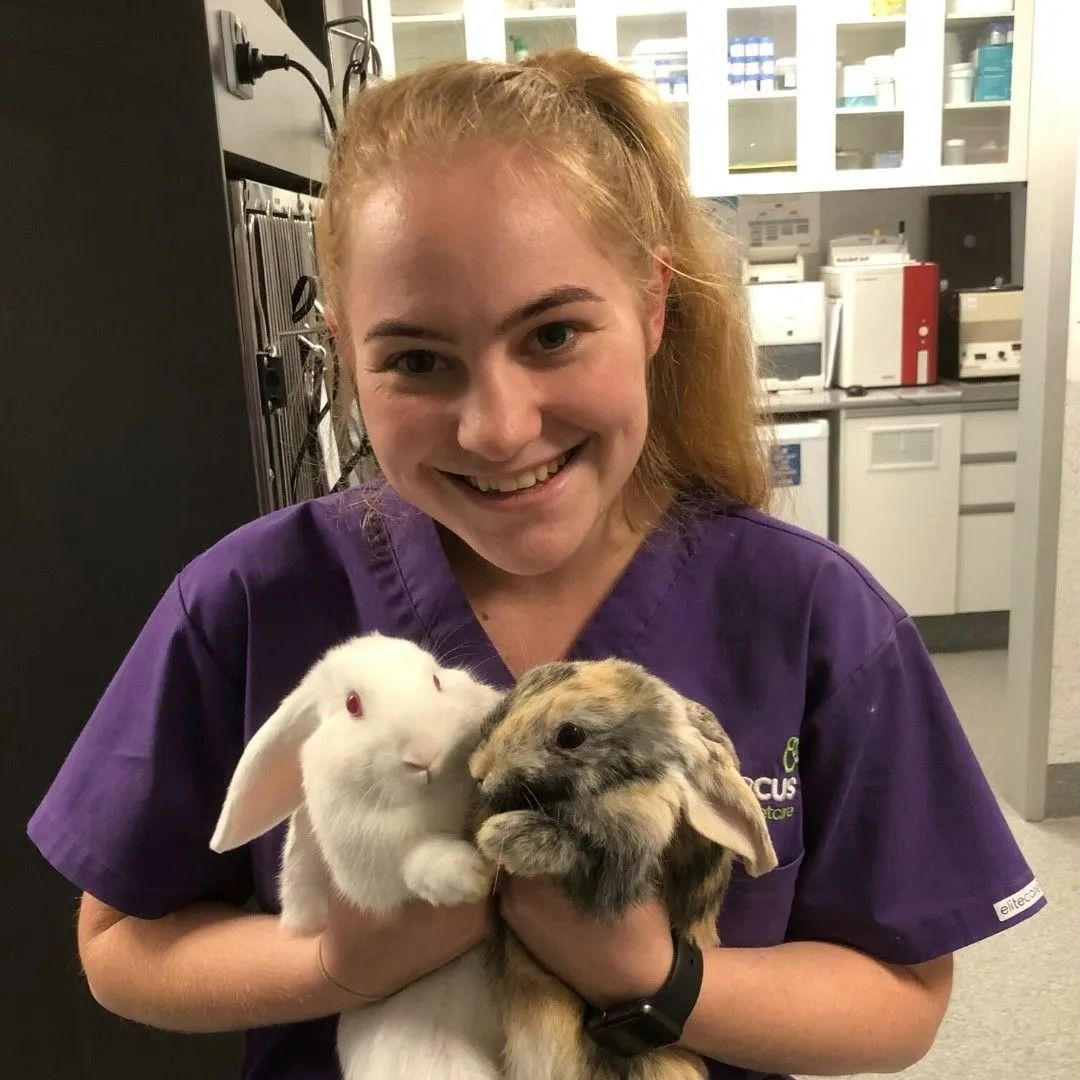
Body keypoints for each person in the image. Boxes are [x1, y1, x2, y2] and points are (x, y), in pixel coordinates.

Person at [28, 49, 1045, 1080]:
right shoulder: (247, 604)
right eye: (417, 361)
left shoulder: (813, 616)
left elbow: (903, 999)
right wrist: (341, 965)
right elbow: (119, 948)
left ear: (652, 306)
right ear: (343, 352)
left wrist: (656, 973)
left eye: (554, 333)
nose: (500, 428)